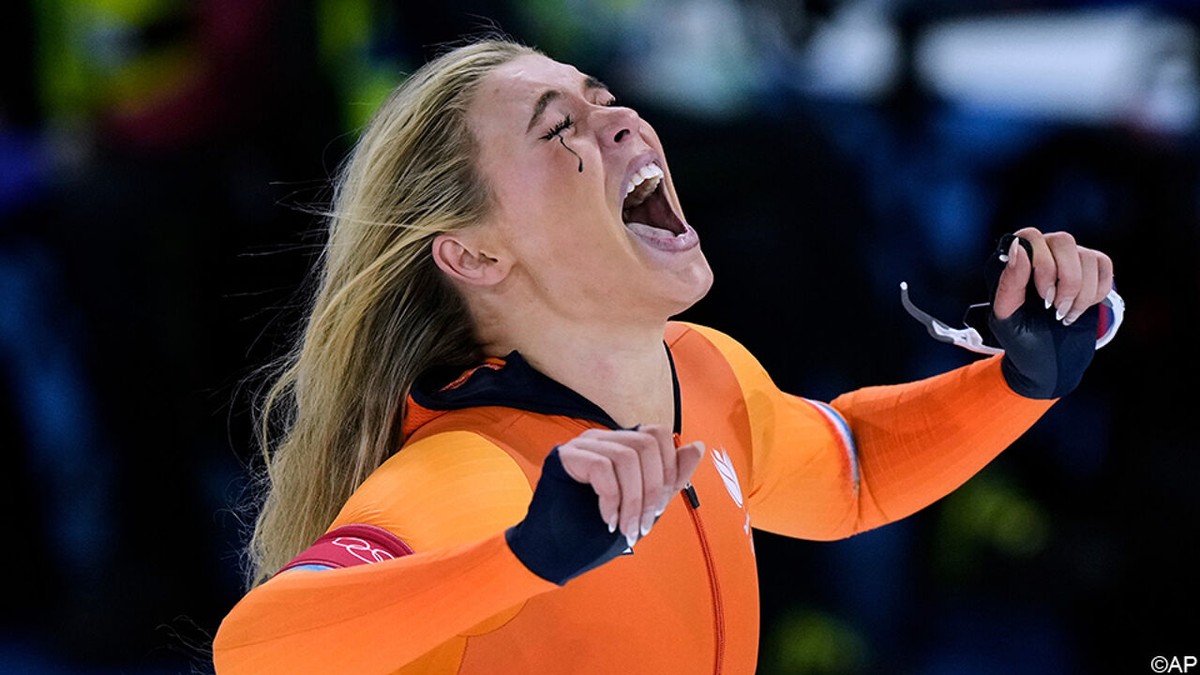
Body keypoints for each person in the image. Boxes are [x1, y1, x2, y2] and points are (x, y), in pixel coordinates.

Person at [211, 37, 1120, 674]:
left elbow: (847, 466)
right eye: (555, 127)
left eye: (601, 99)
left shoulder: (703, 375)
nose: (619, 122)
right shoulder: (475, 476)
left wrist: (1019, 382)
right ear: (476, 253)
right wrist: (526, 556)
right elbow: (256, 652)